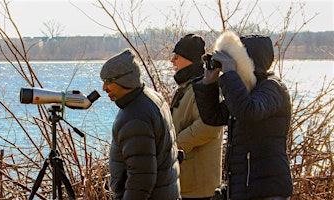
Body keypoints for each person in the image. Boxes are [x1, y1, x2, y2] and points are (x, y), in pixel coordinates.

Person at [192, 30, 293, 200]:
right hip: (244, 188)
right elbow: (213, 117)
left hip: (267, 191)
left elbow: (248, 111)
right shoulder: (244, 91)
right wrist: (208, 82)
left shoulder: (272, 88)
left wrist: (230, 74)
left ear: (248, 61)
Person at [100, 48, 181, 200]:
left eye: (108, 82)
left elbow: (141, 178)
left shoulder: (134, 117)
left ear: (125, 81)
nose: (104, 89)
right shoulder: (153, 97)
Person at [170, 33, 224, 200]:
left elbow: (209, 127)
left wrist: (175, 146)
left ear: (189, 59)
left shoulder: (204, 88)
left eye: (176, 57)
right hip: (187, 183)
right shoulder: (188, 87)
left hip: (200, 188)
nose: (172, 61)